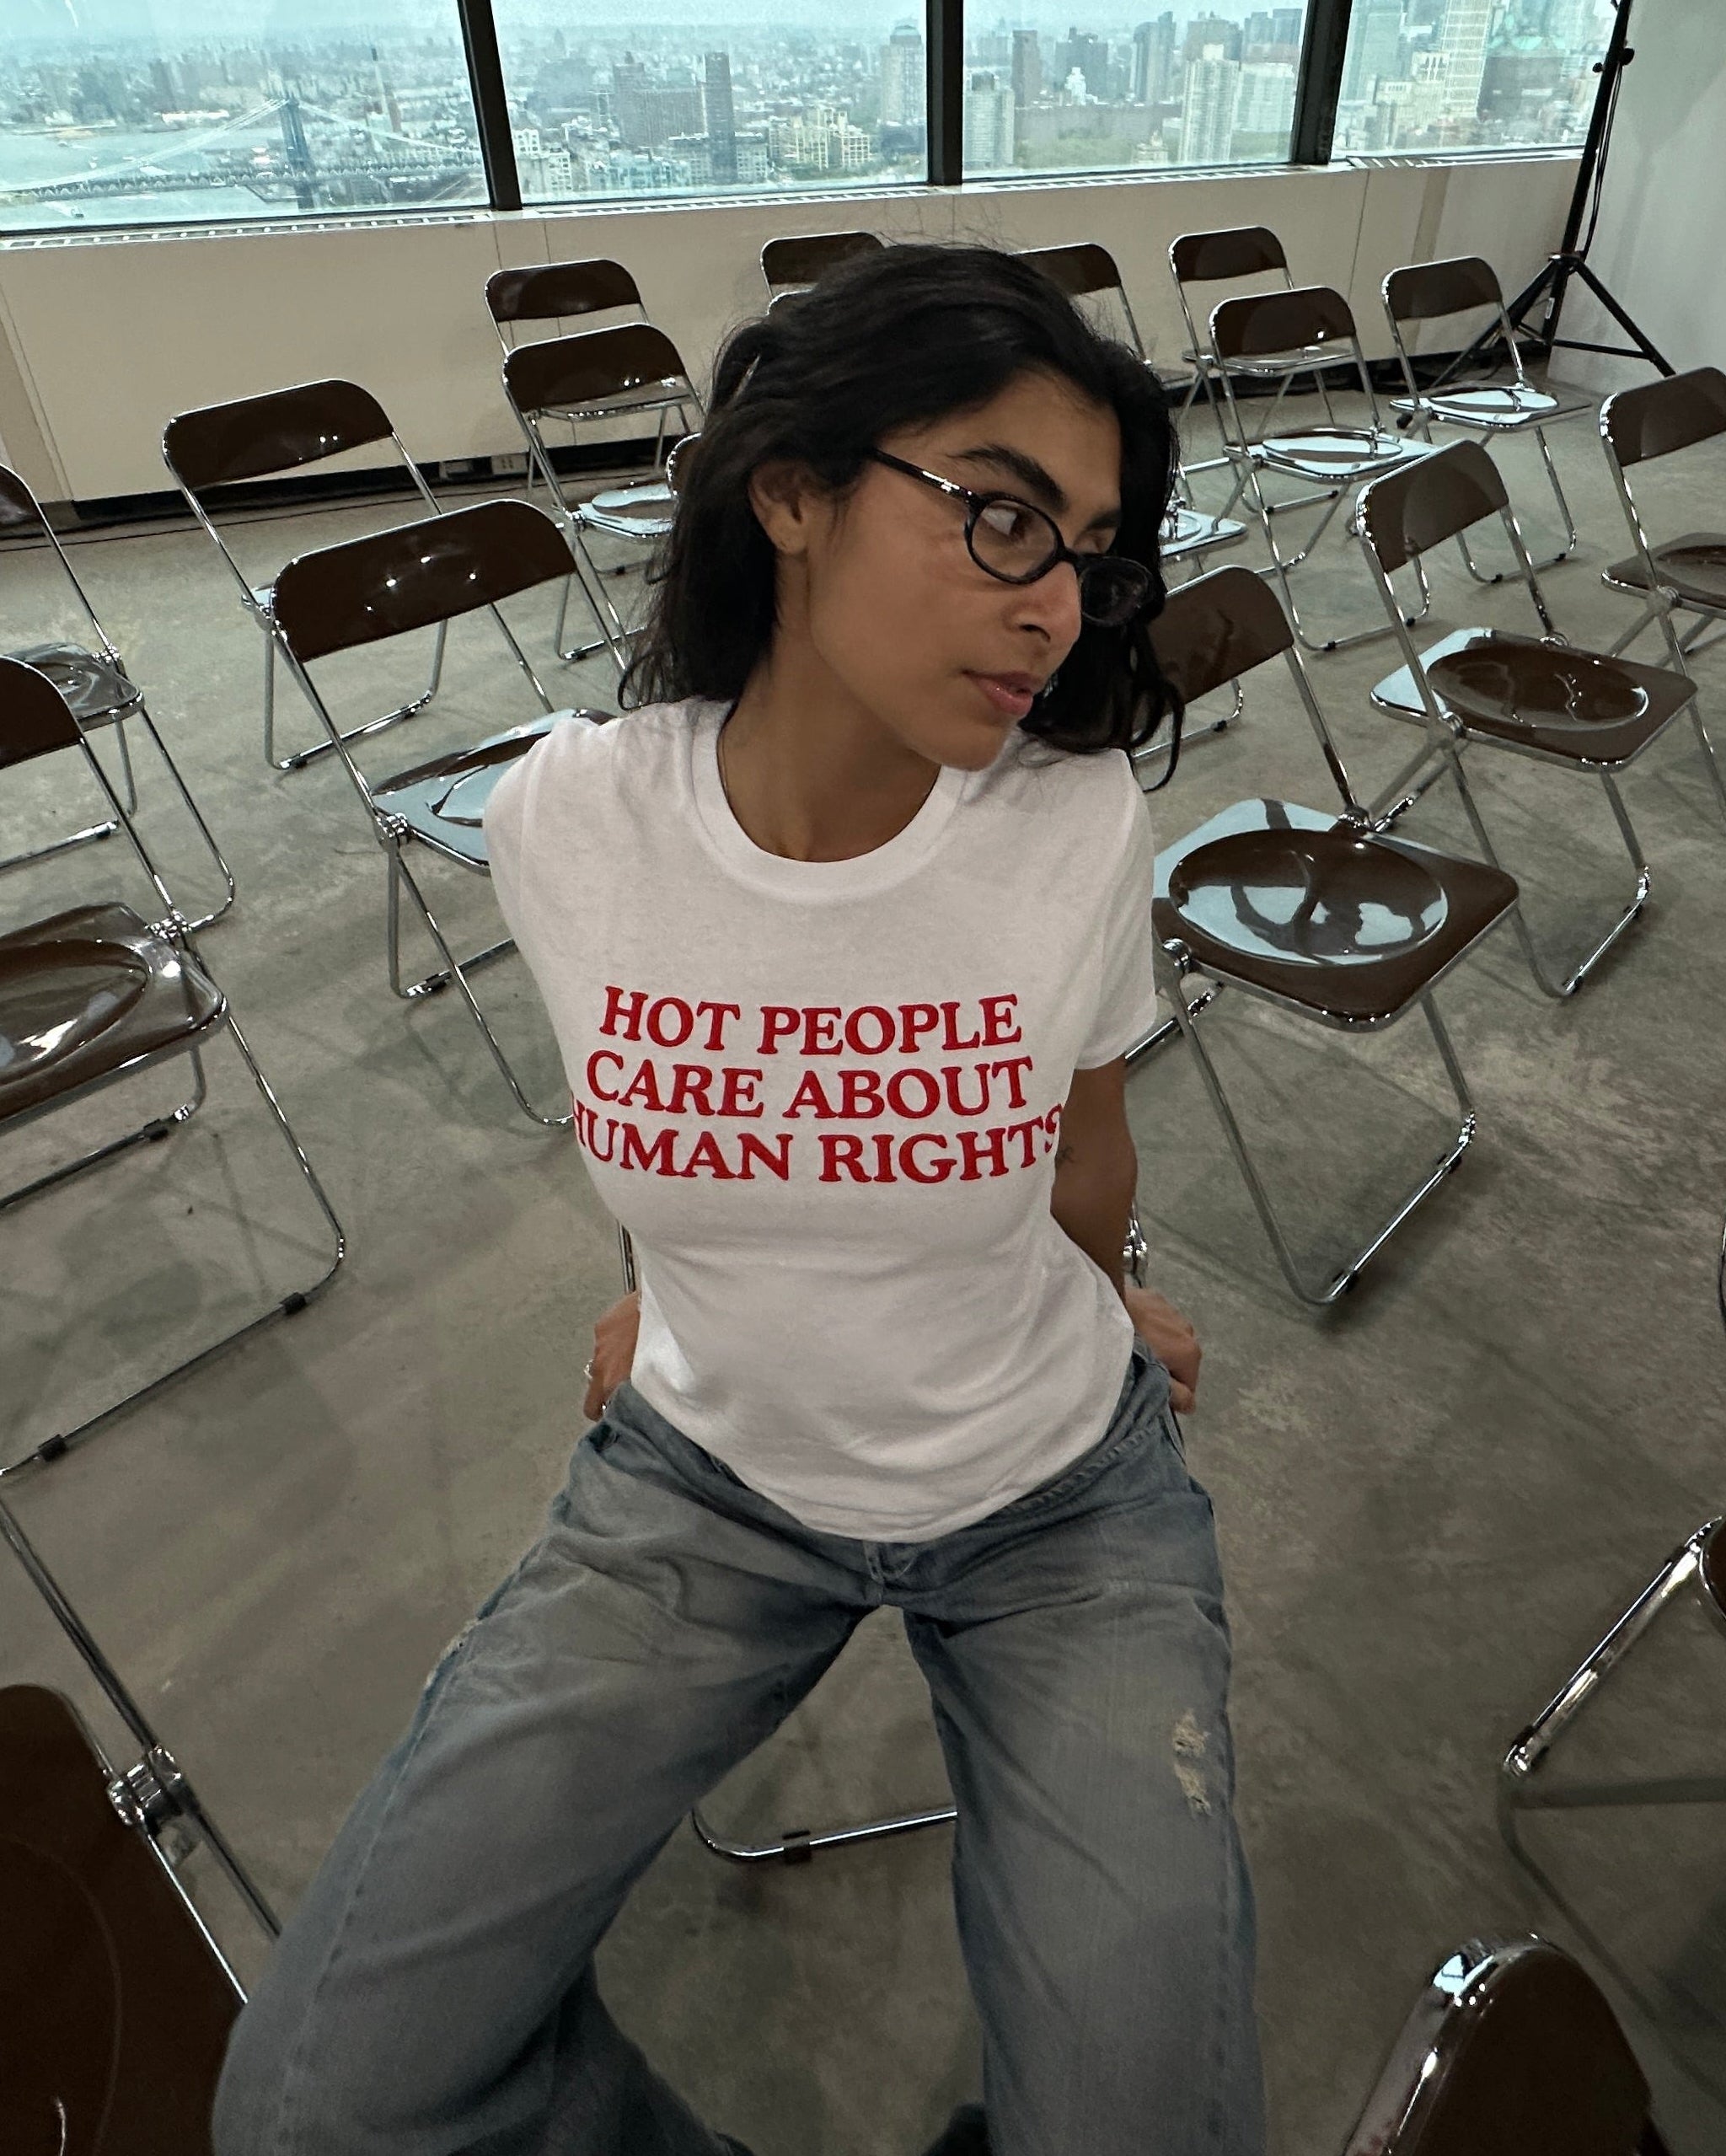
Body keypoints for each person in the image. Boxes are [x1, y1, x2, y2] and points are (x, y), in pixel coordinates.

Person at [213, 243, 1262, 2156]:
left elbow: (1082, 1143)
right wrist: (682, 1290)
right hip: (706, 1487)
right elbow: (667, 1125)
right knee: (318, 2108)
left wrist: (1107, 1295)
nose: (1053, 606)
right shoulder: (569, 819)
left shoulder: (1070, 820)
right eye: (1002, 516)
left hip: (1057, 1502)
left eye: (1089, 555)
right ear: (790, 492)